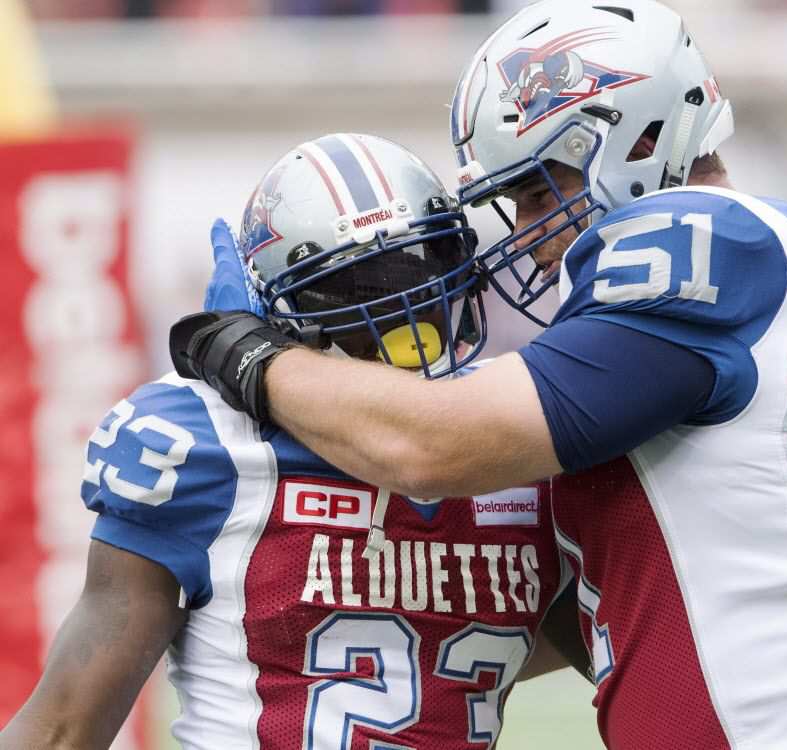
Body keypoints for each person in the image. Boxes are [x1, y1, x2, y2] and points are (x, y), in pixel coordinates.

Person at [169, 2, 787, 748]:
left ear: (635, 137)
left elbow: (435, 444)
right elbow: (602, 615)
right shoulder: (745, 265)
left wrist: (247, 353)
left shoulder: (703, 235)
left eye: (535, 190)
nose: (527, 234)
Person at [0, 134, 578, 750]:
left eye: (421, 266)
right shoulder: (204, 445)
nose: (401, 307)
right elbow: (64, 725)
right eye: (358, 289)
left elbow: (616, 643)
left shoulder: (511, 436)